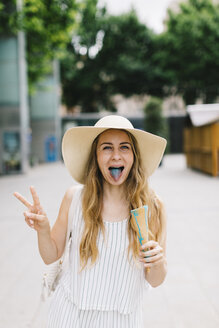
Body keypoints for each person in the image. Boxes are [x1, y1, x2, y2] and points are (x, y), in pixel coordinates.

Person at [14, 115, 167, 327]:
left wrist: (158, 262)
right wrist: (43, 229)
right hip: (71, 316)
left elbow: (155, 279)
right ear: (95, 156)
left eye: (124, 147)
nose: (115, 156)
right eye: (106, 148)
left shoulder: (152, 206)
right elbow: (50, 256)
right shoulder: (74, 199)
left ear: (134, 156)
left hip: (123, 320)